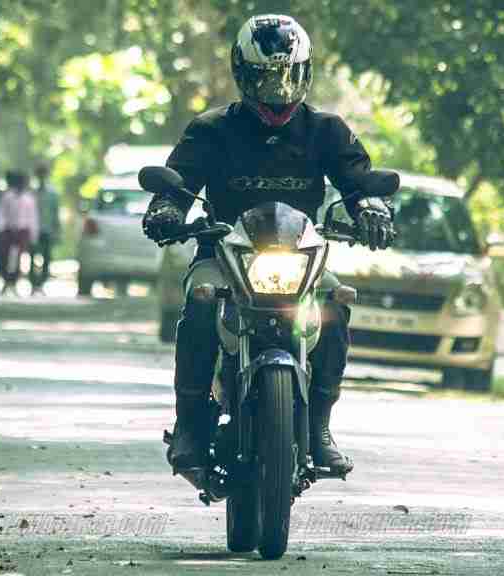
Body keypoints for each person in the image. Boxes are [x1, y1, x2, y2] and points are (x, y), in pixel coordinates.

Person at [141, 14, 395, 473]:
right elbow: (178, 183)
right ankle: (190, 424)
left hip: (301, 259)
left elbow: (359, 182)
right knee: (201, 299)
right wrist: (165, 210)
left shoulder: (327, 130)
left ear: (306, 72)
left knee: (336, 299)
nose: (279, 88)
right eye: (266, 76)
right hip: (223, 256)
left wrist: (372, 209)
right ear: (242, 72)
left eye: (288, 75)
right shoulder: (211, 129)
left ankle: (319, 425)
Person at [0, 171, 39, 296]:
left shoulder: (29, 199)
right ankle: (6, 281)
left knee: (19, 258)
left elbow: (33, 217)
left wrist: (33, 233)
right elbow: (0, 213)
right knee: (5, 257)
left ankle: (14, 282)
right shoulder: (7, 197)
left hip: (22, 232)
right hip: (8, 230)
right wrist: (0, 228)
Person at [28, 164, 60, 295]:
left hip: (47, 230)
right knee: (32, 257)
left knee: (46, 258)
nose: (41, 177)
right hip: (33, 230)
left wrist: (57, 231)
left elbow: (55, 213)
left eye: (43, 174)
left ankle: (41, 283)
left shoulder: (53, 194)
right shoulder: (31, 193)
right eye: (39, 174)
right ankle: (33, 283)